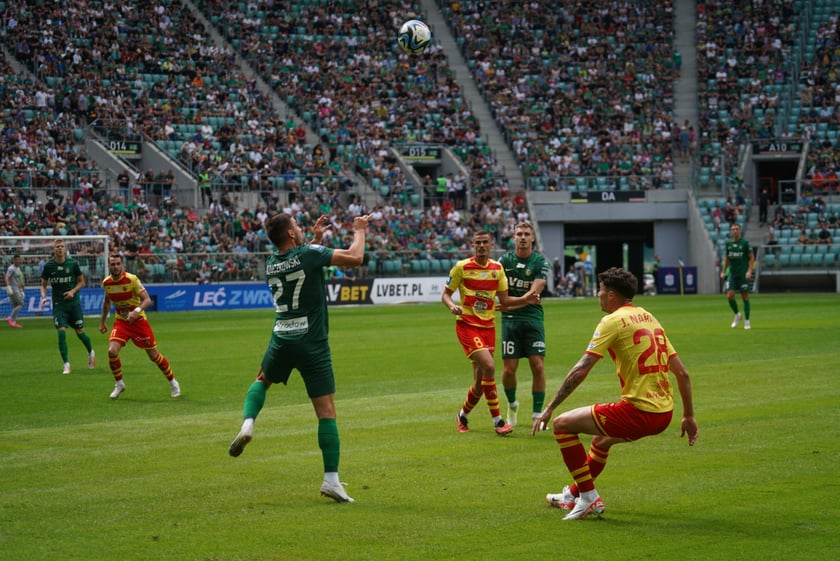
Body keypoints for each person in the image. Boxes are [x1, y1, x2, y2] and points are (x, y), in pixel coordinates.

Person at [531, 267, 698, 520]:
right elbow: (683, 374)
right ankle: (573, 494)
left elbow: (581, 369)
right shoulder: (648, 317)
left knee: (562, 424)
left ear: (610, 295)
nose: (598, 295)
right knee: (601, 440)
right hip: (664, 413)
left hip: (638, 412)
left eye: (600, 290)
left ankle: (588, 498)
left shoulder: (612, 321)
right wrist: (688, 416)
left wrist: (551, 406)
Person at [228, 213, 370, 504]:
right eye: (297, 226)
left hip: (282, 336)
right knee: (326, 411)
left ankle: (248, 424)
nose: (301, 229)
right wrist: (359, 230)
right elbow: (355, 258)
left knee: (261, 379)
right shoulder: (307, 253)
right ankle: (331, 480)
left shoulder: (271, 263)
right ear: (291, 235)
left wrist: (316, 240)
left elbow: (302, 262)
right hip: (312, 342)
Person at [442, 230, 541, 436]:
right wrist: (452, 306)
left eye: (484, 242)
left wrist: (526, 299)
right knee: (489, 366)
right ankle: (498, 421)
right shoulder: (462, 267)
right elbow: (446, 294)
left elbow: (504, 301)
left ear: (490, 245)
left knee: (479, 383)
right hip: (467, 325)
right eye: (477, 242)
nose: (481, 246)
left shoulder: (497, 269)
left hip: (488, 328)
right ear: (472, 245)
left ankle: (462, 416)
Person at [99, 254, 181, 400]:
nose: (116, 266)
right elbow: (107, 303)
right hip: (122, 322)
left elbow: (147, 300)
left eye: (118, 264)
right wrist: (102, 322)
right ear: (108, 266)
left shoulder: (132, 279)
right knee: (112, 351)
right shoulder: (107, 283)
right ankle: (119, 384)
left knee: (154, 356)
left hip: (138, 322)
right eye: (113, 264)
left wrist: (136, 312)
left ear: (122, 265)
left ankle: (173, 382)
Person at [498, 222, 550, 427]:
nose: (522, 237)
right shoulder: (504, 261)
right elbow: (498, 291)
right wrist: (512, 305)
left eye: (526, 234)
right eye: (519, 234)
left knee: (537, 366)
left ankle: (537, 415)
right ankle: (512, 404)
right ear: (513, 237)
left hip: (532, 319)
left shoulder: (539, 261)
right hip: (510, 322)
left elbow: (534, 294)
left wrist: (508, 305)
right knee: (509, 370)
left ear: (532, 238)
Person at [40, 239, 95, 374]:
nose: (59, 248)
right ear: (54, 249)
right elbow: (43, 284)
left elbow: (82, 282)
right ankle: (66, 364)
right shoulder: (49, 266)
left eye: (62, 246)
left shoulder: (73, 264)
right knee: (61, 332)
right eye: (57, 246)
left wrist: (72, 292)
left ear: (65, 249)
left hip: (73, 304)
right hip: (59, 305)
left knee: (80, 332)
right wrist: (43, 297)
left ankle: (91, 352)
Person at [720, 223, 755, 329]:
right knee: (730, 295)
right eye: (733, 229)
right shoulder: (728, 244)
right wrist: (723, 271)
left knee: (745, 296)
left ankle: (747, 321)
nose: (735, 231)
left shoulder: (745, 243)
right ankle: (737, 314)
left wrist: (749, 271)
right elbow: (727, 258)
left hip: (743, 274)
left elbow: (751, 257)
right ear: (731, 231)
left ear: (740, 231)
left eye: (737, 229)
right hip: (732, 274)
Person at [5, 254, 25, 328]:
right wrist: (8, 287)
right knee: (21, 304)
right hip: (13, 288)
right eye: (16, 260)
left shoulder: (18, 268)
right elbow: (6, 277)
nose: (18, 261)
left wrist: (21, 290)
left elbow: (18, 280)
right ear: (13, 260)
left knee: (15, 306)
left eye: (19, 260)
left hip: (17, 288)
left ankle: (13, 322)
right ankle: (10, 318)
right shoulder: (11, 268)